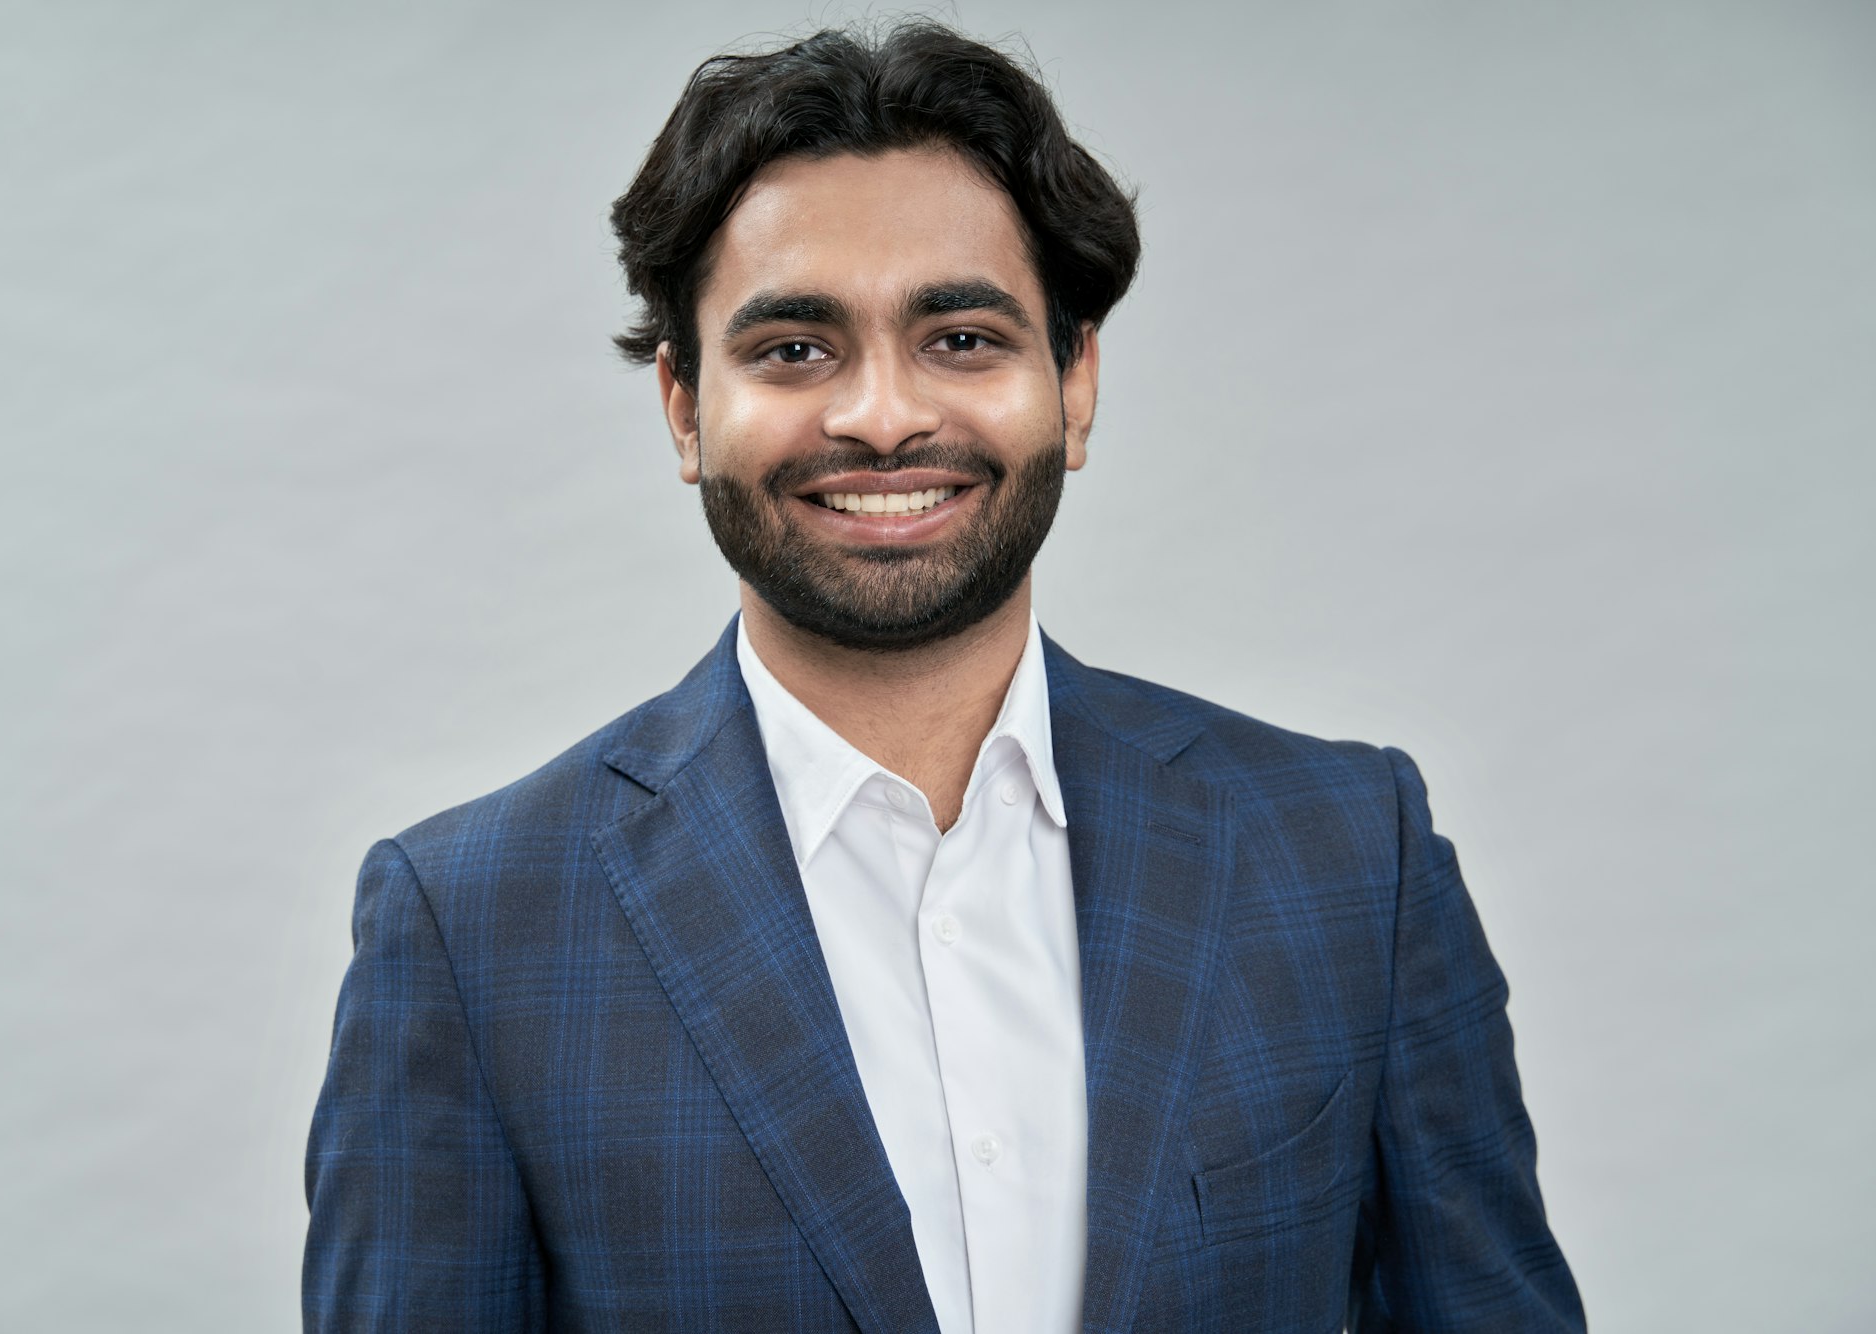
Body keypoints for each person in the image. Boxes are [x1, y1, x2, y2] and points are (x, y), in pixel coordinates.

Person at [302, 21, 1584, 1333]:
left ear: (1074, 383)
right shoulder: (473, 930)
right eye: (794, 349)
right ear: (683, 406)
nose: (883, 414)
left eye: (962, 338)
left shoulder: (1347, 860)